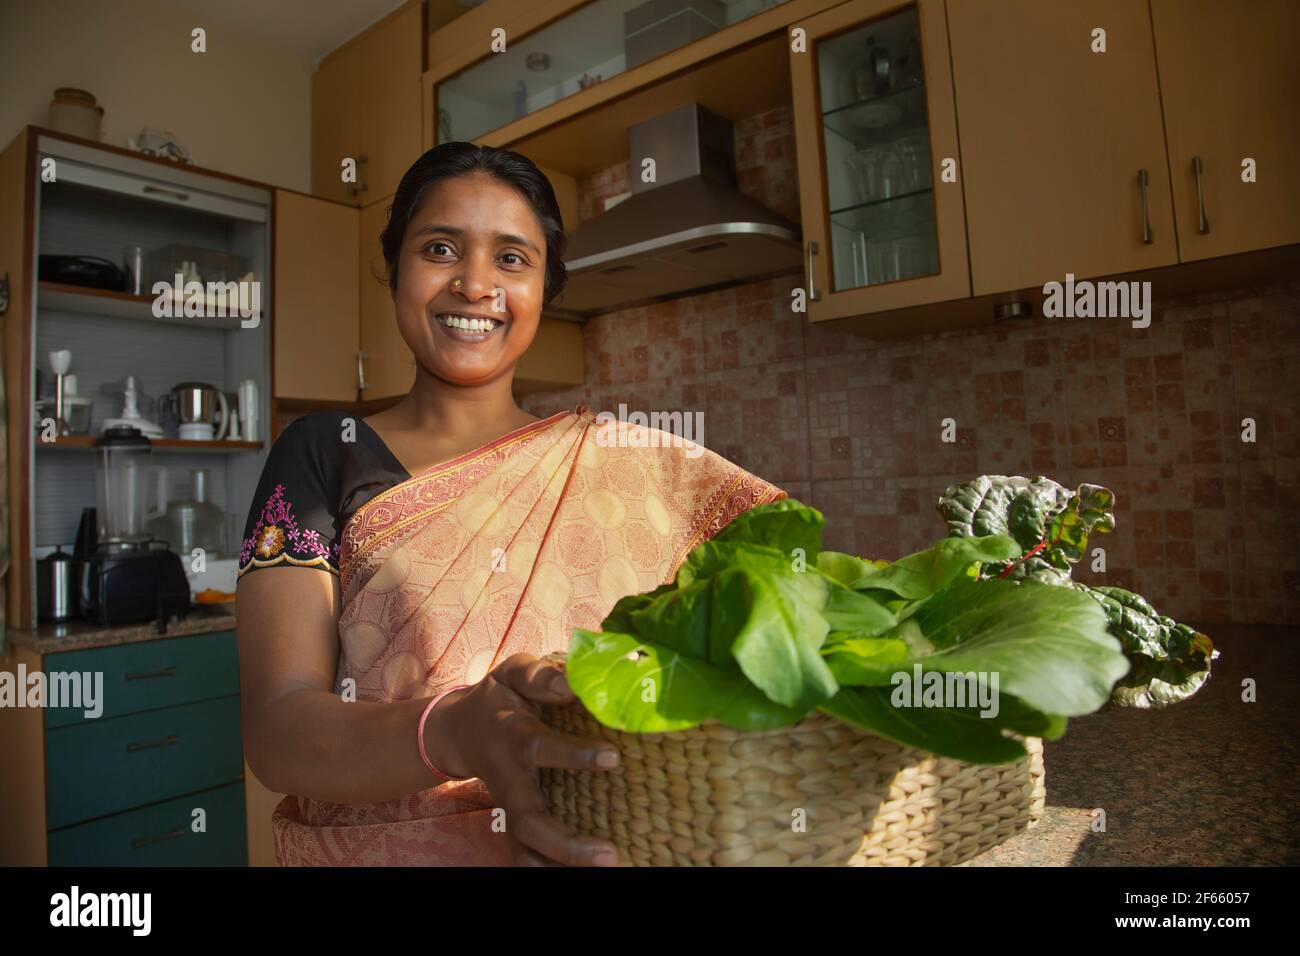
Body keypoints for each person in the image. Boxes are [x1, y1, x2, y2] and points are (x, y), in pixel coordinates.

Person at [235, 142, 786, 866]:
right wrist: (453, 730)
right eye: (440, 248)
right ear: (393, 264)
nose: (474, 284)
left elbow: (776, 621)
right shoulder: (322, 452)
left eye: (512, 258)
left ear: (545, 287)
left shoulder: (630, 465)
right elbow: (278, 733)